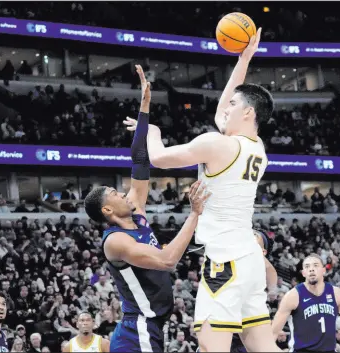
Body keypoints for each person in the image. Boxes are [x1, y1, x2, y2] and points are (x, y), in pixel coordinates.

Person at [125, 28, 281, 352]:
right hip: (251, 259)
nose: (226, 107)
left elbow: (158, 158)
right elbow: (223, 109)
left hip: (225, 259)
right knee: (265, 348)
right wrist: (245, 58)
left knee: (211, 348)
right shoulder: (258, 147)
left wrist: (151, 129)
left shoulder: (217, 144)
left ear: (248, 113)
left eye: (234, 104)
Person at [84, 65, 211, 352]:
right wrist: (194, 213)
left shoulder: (137, 215)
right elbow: (167, 261)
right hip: (137, 328)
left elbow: (140, 159)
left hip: (151, 326)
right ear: (107, 210)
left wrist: (145, 106)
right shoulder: (116, 241)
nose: (125, 193)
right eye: (116, 193)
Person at [230, 229, 278, 353]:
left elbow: (270, 269)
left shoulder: (254, 256)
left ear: (263, 251)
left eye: (255, 235)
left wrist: (272, 290)